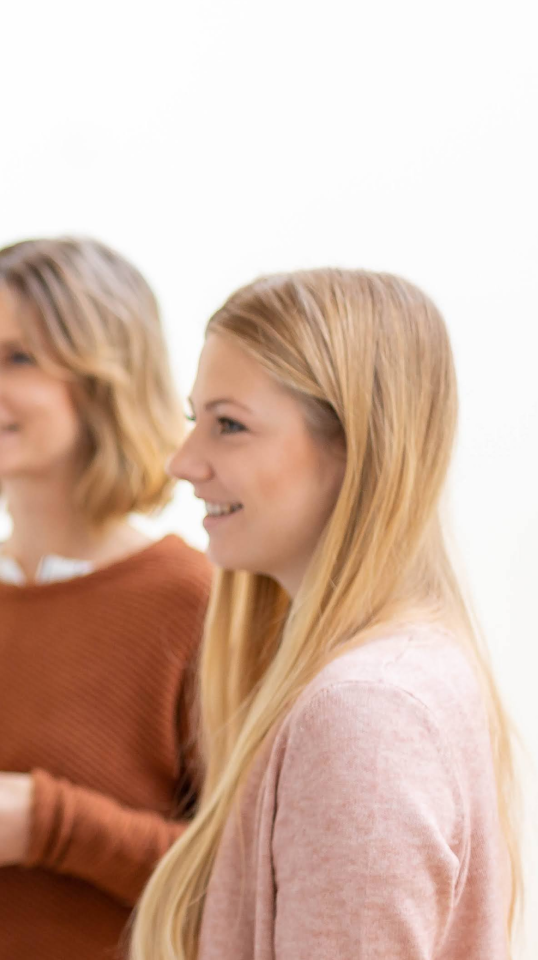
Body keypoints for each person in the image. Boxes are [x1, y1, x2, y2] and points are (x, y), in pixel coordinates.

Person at [127, 269, 521, 958]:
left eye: (229, 425)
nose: (183, 462)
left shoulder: (366, 715)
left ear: (355, 448)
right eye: (197, 420)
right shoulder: (404, 670)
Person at [0, 238, 210, 959]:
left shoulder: (196, 602)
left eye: (18, 358)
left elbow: (234, 878)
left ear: (105, 379)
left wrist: (48, 825)